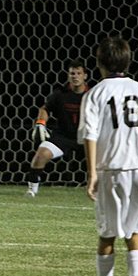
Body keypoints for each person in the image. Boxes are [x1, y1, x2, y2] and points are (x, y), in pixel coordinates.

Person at [77, 35, 138, 276]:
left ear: (99, 62)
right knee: (134, 232)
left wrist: (92, 174)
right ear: (128, 60)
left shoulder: (95, 94)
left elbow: (90, 136)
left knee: (108, 233)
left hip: (113, 168)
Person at [25, 59, 89, 197]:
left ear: (85, 76)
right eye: (72, 73)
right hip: (63, 136)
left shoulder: (92, 94)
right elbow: (45, 108)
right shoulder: (60, 93)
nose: (75, 76)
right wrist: (41, 122)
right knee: (41, 155)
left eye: (78, 73)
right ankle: (32, 190)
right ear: (68, 75)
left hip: (87, 137)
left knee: (103, 161)